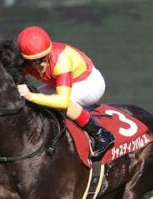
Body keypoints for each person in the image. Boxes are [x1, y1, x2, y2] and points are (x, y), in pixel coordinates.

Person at [16, 26, 114, 158]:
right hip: (59, 83)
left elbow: (63, 101)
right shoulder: (25, 63)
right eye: (36, 61)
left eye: (45, 58)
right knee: (33, 102)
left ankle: (101, 134)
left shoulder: (61, 60)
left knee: (57, 104)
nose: (42, 64)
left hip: (89, 83)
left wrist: (31, 96)